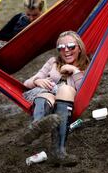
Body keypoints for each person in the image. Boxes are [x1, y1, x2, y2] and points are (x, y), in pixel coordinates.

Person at [22, 31, 90, 165]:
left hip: (66, 100)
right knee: (47, 95)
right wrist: (37, 81)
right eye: (61, 48)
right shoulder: (53, 61)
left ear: (80, 47)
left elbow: (85, 88)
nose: (66, 51)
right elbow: (26, 83)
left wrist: (75, 71)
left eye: (71, 46)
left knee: (65, 89)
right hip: (44, 94)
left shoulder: (88, 64)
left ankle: (58, 151)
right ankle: (37, 125)